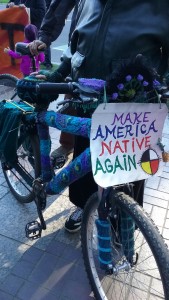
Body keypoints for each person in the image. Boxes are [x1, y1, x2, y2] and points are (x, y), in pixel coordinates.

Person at [29, 0, 169, 233]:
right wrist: (56, 75)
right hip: (88, 102)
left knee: (129, 172)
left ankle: (124, 220)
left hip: (133, 111)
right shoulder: (88, 2)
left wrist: (162, 84)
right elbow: (75, 50)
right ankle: (85, 207)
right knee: (85, 161)